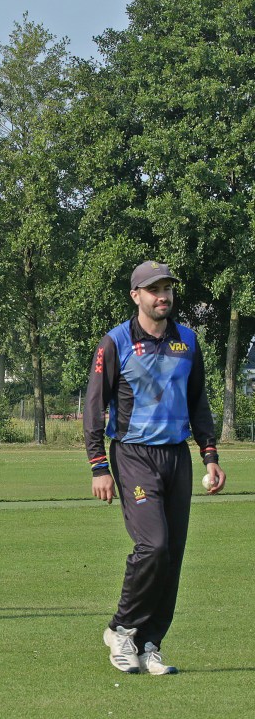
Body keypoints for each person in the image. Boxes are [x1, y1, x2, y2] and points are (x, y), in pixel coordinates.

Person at [85, 261, 225, 675]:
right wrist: (98, 466)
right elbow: (94, 409)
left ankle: (149, 644)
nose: (162, 296)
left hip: (176, 457)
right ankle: (122, 628)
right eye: (153, 289)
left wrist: (210, 456)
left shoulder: (188, 341)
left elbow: (198, 402)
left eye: (166, 288)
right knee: (154, 546)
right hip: (132, 455)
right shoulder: (115, 342)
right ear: (136, 296)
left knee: (172, 556)